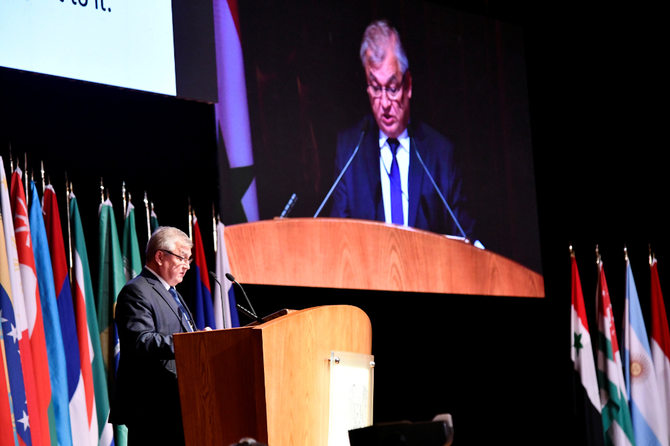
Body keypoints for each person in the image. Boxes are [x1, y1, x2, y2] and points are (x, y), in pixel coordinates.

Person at [330, 20, 475, 239]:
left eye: (392, 87)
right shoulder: (350, 150)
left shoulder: (440, 154)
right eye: (376, 89)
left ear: (407, 85)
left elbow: (465, 238)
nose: (385, 103)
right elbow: (338, 238)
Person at [110, 226, 196, 446]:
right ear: (160, 256)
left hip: (178, 404)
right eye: (182, 258)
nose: (187, 265)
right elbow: (141, 341)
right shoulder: (136, 291)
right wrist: (191, 344)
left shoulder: (172, 293)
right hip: (152, 408)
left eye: (189, 259)